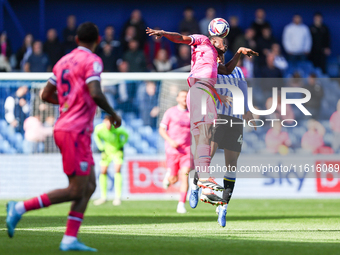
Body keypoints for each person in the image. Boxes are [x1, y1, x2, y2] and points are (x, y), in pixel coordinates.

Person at [6, 22, 121, 252]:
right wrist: (113, 113)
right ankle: (19, 208)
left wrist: (69, 102)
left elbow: (46, 94)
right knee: (76, 190)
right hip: (74, 130)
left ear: (77, 39)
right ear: (97, 40)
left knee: (89, 185)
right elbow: (96, 92)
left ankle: (69, 239)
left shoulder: (62, 62)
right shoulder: (93, 61)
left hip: (71, 128)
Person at [146, 26, 258, 205]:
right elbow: (181, 38)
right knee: (205, 134)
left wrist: (238, 53)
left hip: (206, 93)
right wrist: (165, 34)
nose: (225, 44)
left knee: (205, 134)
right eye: (223, 40)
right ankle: (203, 179)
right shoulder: (203, 41)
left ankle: (204, 185)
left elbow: (228, 71)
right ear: (213, 39)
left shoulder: (213, 61)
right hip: (199, 91)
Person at [210, 54, 256, 227]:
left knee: (231, 164)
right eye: (217, 55)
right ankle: (195, 185)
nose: (220, 58)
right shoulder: (211, 71)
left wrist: (248, 112)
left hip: (235, 120)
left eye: (222, 55)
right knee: (208, 155)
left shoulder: (237, 72)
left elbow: (243, 93)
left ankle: (224, 206)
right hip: (218, 118)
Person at [160, 90, 191, 213]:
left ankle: (181, 204)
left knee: (185, 174)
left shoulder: (192, 113)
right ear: (177, 98)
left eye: (186, 97)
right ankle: (169, 177)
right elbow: (162, 130)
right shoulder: (170, 112)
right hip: (172, 150)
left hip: (187, 150)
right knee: (174, 180)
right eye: (182, 96)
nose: (184, 98)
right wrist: (170, 141)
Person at [93, 116, 129, 206]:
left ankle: (117, 197)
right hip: (106, 152)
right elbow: (96, 136)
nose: (109, 125)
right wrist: (101, 147)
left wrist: (121, 145)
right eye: (107, 122)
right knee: (103, 171)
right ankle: (103, 197)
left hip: (117, 152)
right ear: (104, 121)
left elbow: (126, 135)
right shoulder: (99, 128)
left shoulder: (117, 129)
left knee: (117, 171)